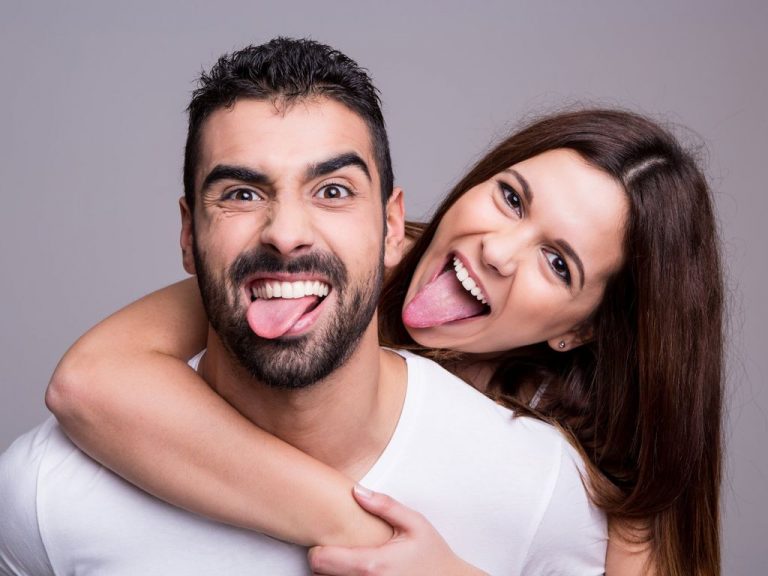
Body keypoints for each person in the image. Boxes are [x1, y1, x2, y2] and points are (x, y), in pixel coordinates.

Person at [0, 38, 608, 575]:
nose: (286, 234)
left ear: (392, 227)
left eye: (333, 191)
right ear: (188, 235)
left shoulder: (541, 491)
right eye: (241, 194)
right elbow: (86, 382)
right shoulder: (45, 497)